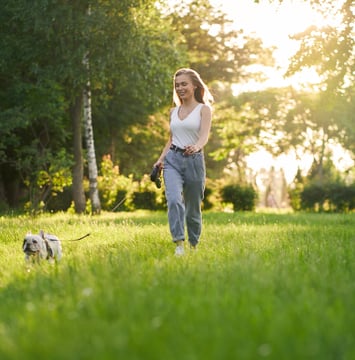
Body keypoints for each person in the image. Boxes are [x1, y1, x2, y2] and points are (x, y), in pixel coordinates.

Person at [154, 68, 213, 256]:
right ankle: (179, 244)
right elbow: (171, 139)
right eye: (177, 85)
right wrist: (160, 160)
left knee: (193, 209)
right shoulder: (173, 111)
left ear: (195, 85)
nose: (180, 88)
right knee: (173, 201)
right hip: (172, 160)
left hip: (194, 161)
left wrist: (196, 146)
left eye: (184, 84)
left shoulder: (204, 110)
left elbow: (204, 136)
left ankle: (194, 245)